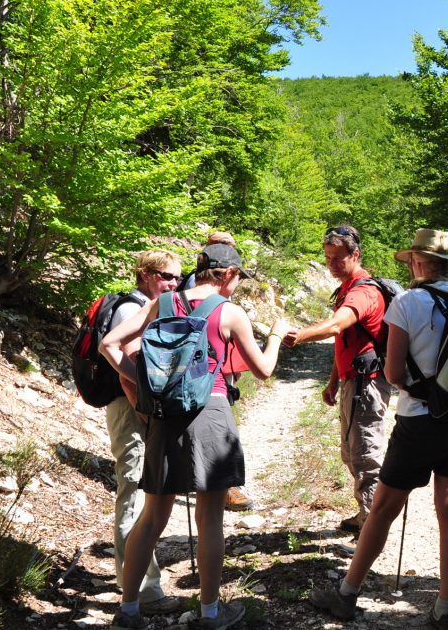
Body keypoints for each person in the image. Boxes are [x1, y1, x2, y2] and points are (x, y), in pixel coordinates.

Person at [309, 228, 448, 630]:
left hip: (418, 424)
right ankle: (445, 610)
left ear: (417, 262)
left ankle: (346, 596)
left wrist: (424, 389)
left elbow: (394, 373)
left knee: (382, 509)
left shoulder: (408, 303)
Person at [100, 243, 289, 630]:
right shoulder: (230, 312)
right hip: (211, 414)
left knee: (152, 517)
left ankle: (130, 610)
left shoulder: (162, 304)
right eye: (237, 279)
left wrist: (148, 388)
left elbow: (108, 345)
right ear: (229, 275)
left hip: (164, 417)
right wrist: (275, 335)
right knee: (211, 519)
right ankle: (210, 613)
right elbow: (265, 370)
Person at [283, 225, 394, 534]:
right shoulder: (346, 287)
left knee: (365, 454)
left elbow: (336, 326)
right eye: (327, 257)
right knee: (351, 451)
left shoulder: (363, 291)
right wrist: (334, 380)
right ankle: (366, 513)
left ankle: (374, 523)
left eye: (337, 258)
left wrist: (301, 335)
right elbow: (344, 340)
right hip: (352, 381)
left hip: (367, 384)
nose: (331, 264)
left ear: (355, 254)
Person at [103, 249, 184, 616]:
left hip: (139, 406)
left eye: (178, 278)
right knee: (133, 487)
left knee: (140, 487)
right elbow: (127, 364)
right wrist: (146, 405)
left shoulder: (151, 306)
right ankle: (142, 588)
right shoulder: (130, 309)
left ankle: (132, 579)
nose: (174, 284)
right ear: (147, 274)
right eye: (168, 276)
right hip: (130, 407)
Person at [181, 231, 255, 513]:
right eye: (222, 246)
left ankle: (214, 481)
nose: (227, 249)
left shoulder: (195, 278)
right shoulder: (201, 282)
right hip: (206, 365)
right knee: (214, 420)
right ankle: (222, 485)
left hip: (212, 357)